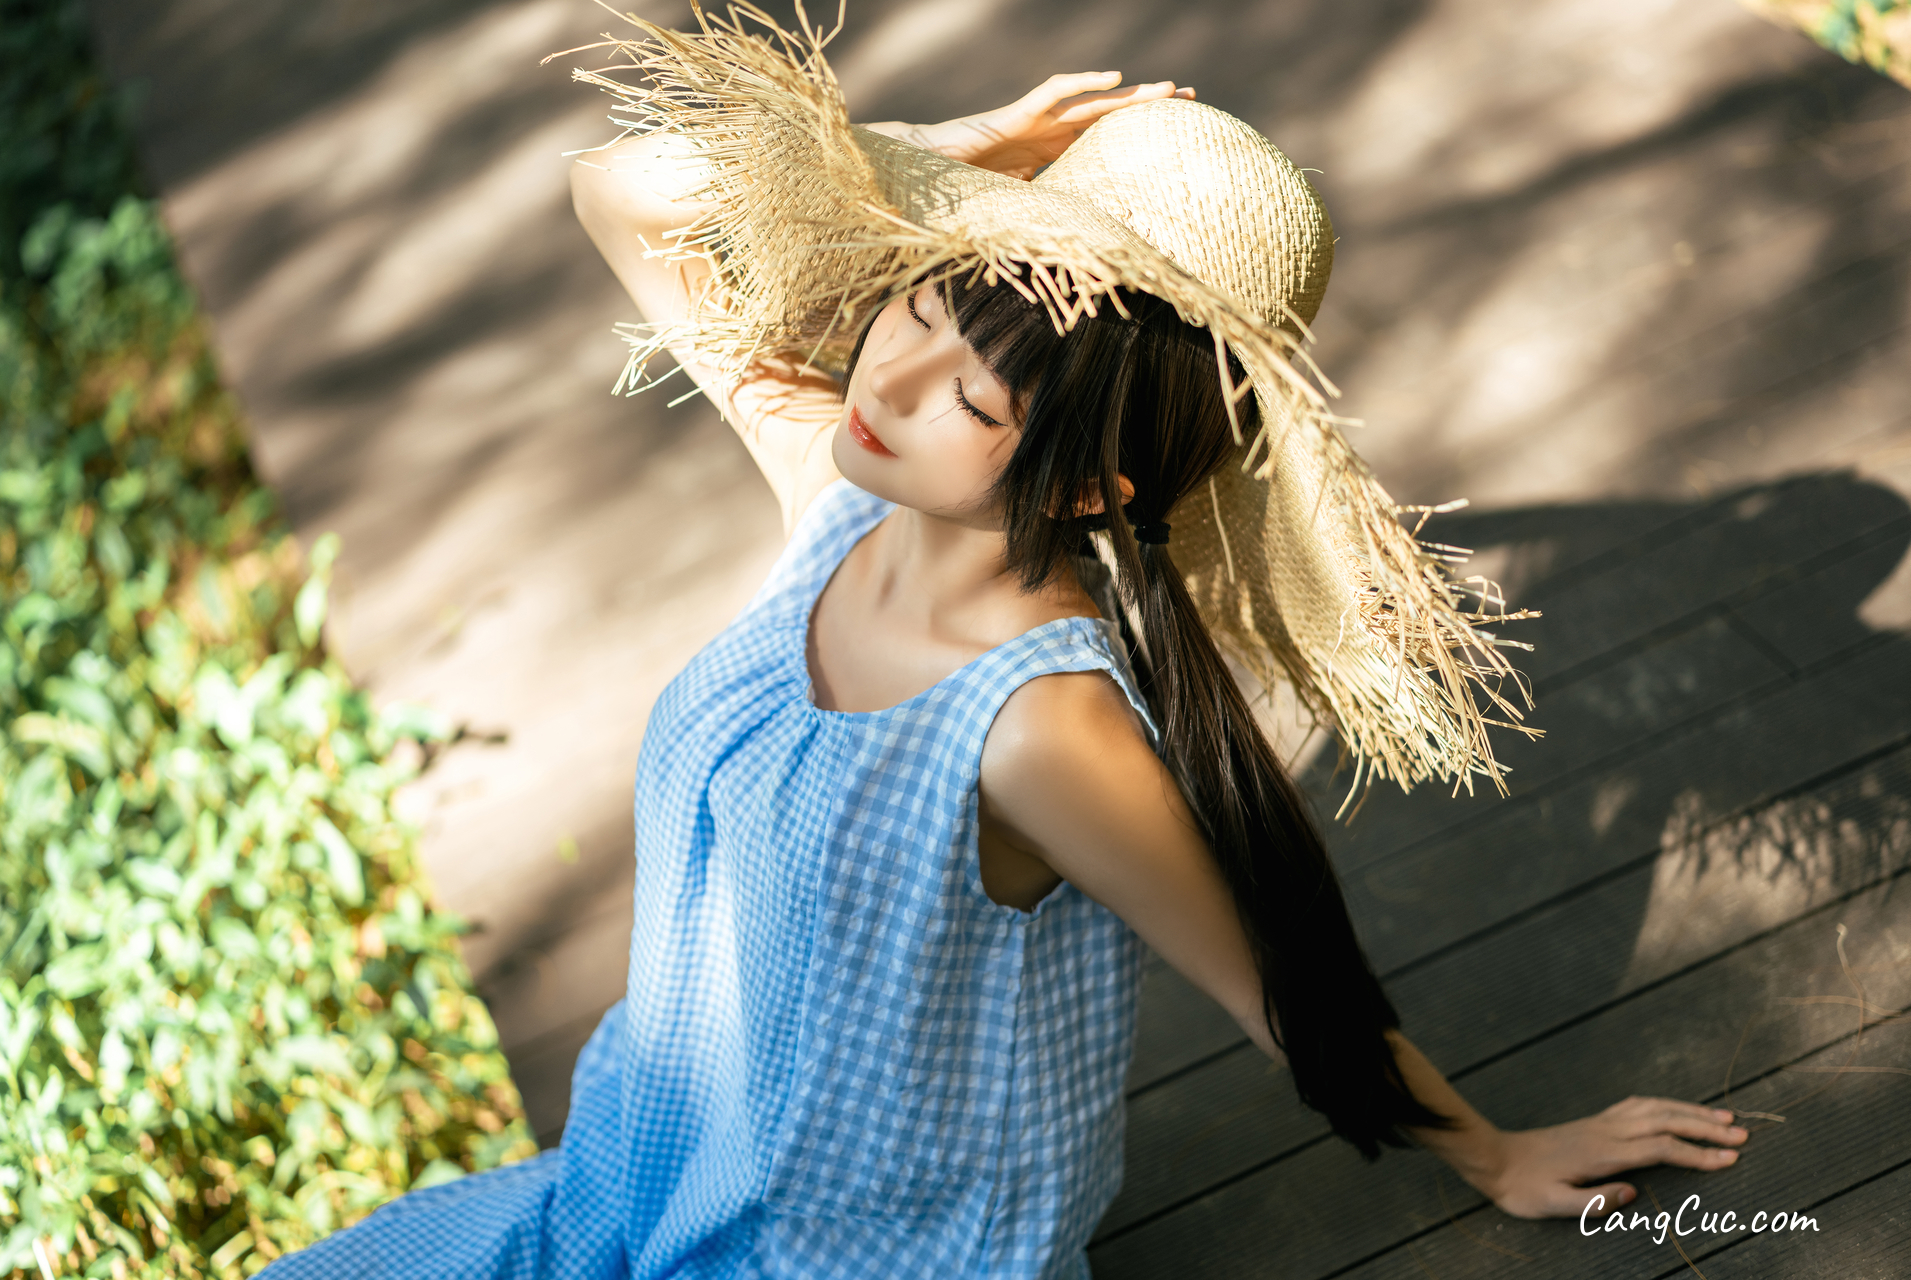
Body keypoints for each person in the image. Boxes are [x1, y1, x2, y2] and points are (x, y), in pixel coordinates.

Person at [268, 7, 1749, 1278]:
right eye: (917, 303)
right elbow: (620, 187)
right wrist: (944, 157)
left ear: (1096, 486)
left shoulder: (1037, 728)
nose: (889, 381)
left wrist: (1495, 1152)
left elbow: (1278, 989)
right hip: (632, 1181)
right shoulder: (834, 499)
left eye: (974, 399)